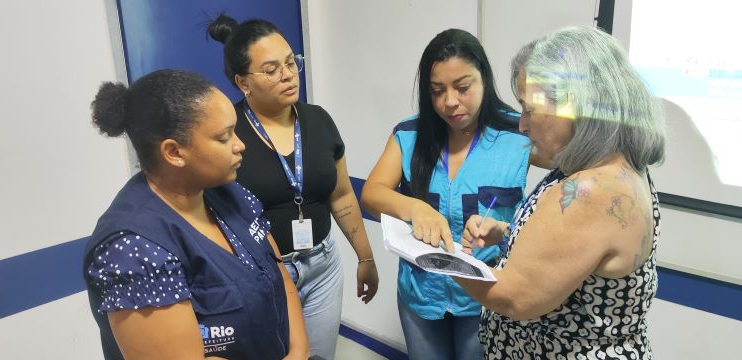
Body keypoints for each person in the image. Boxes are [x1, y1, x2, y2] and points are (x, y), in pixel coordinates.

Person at [450, 27, 667, 359]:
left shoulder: (590, 191)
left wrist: (438, 258)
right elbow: (575, 254)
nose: (522, 125)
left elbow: (515, 297)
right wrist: (507, 234)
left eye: (529, 109)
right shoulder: (615, 166)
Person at [83, 69, 309, 359]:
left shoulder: (230, 194)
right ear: (174, 152)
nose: (240, 146)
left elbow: (278, 273)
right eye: (223, 137)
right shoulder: (134, 248)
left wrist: (299, 350)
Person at [206, 15, 379, 360]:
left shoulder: (318, 120)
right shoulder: (231, 134)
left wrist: (365, 256)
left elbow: (342, 195)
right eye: (271, 70)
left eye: (291, 62)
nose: (287, 74)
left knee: (318, 356)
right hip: (264, 274)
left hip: (322, 265)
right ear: (243, 83)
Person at [360, 29, 531, 360]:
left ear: (484, 79)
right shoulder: (409, 135)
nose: (450, 101)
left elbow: (573, 165)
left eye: (463, 87)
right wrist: (412, 207)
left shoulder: (519, 132)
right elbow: (371, 193)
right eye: (437, 91)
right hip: (421, 295)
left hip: (485, 298)